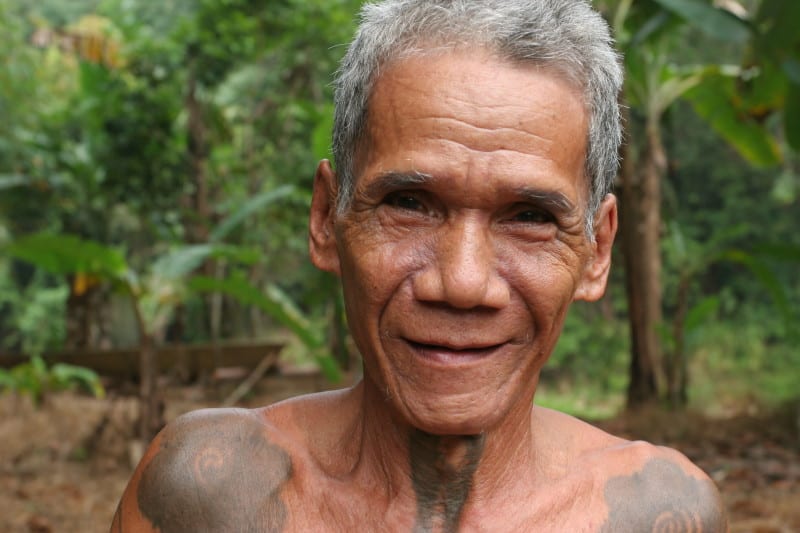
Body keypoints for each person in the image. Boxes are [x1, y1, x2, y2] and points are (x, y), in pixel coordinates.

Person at [112, 0, 728, 531]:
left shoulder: (656, 512)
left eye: (530, 217)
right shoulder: (208, 492)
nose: (462, 283)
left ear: (596, 251)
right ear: (327, 218)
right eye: (408, 204)